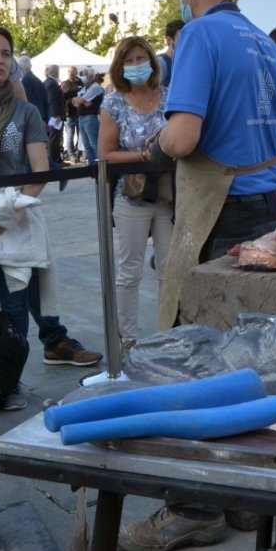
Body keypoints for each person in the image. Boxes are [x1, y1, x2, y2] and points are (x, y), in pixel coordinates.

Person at [122, 0, 276, 551]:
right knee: (255, 355)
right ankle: (247, 498)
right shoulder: (267, 44)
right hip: (265, 209)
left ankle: (195, 507)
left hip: (216, 215)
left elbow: (183, 135)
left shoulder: (199, 35)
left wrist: (156, 143)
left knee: (189, 356)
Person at [0, 27, 102, 377]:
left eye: (5, 53)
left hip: (13, 222)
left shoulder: (24, 111)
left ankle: (9, 378)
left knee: (14, 305)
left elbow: (39, 170)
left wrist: (10, 215)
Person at [98, 36, 173, 340]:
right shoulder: (113, 102)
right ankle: (126, 341)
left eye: (141, 59)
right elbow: (105, 154)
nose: (135, 65)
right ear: (120, 67)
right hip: (131, 195)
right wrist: (143, 155)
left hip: (168, 194)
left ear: (152, 62)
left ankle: (168, 336)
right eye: (128, 61)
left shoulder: (169, 96)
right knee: (130, 273)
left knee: (170, 270)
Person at [73, 67, 105, 163]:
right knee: (87, 145)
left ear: (91, 75)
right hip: (82, 118)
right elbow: (74, 102)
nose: (82, 77)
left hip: (90, 117)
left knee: (93, 143)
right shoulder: (85, 87)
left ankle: (99, 165)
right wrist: (83, 101)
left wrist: (81, 101)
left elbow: (79, 100)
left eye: (84, 75)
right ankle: (91, 165)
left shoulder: (95, 87)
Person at [43, 64, 66, 167]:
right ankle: (54, 160)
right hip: (55, 115)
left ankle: (55, 159)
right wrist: (56, 115)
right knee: (55, 137)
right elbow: (52, 100)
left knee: (54, 137)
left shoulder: (48, 82)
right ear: (56, 71)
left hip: (52, 115)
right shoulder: (52, 83)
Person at [63, 66, 82, 162]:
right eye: (69, 71)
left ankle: (79, 153)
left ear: (76, 72)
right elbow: (61, 97)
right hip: (69, 114)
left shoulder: (81, 83)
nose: (70, 73)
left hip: (79, 113)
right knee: (70, 135)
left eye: (72, 71)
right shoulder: (65, 83)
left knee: (80, 135)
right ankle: (71, 155)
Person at [158, 19, 184, 88]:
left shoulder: (181, 62)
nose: (185, 43)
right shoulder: (161, 63)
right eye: (181, 39)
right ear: (169, 40)